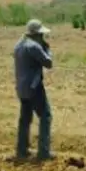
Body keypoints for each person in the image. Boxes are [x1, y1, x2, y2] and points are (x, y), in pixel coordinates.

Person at [13, 18, 54, 161]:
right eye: (41, 35)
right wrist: (47, 48)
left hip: (21, 87)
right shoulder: (34, 47)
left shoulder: (18, 45)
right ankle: (43, 152)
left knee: (25, 119)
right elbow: (48, 63)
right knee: (45, 116)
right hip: (34, 87)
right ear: (37, 34)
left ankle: (21, 150)